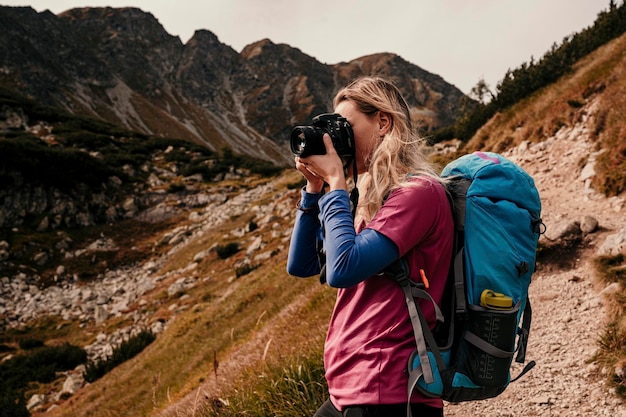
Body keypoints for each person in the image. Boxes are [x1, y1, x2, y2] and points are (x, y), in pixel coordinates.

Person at [287, 76, 454, 417]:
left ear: (382, 121)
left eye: (345, 127)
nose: (337, 140)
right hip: (351, 387)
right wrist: (314, 188)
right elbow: (302, 265)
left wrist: (335, 181)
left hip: (390, 390)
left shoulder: (418, 194)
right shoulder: (373, 201)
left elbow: (343, 269)